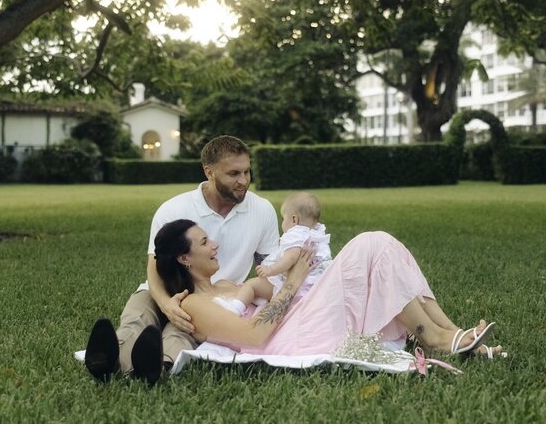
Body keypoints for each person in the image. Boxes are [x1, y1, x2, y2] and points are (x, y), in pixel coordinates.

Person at [87, 219, 503, 379]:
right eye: (204, 242)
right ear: (183, 257)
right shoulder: (193, 304)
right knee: (371, 244)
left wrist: (293, 277)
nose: (215, 245)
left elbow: (284, 293)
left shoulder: (228, 283)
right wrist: (293, 281)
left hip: (302, 314)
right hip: (290, 338)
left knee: (383, 248)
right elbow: (254, 337)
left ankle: (451, 332)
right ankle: (437, 338)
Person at [84, 136, 279, 384]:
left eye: (246, 171)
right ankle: (108, 361)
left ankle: (157, 367)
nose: (243, 180)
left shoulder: (262, 210)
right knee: (137, 317)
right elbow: (154, 266)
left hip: (212, 298)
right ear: (209, 172)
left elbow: (270, 269)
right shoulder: (174, 209)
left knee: (180, 332)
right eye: (233, 174)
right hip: (164, 289)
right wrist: (167, 304)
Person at [238, 192, 332, 304]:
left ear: (294, 219)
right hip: (316, 286)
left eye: (283, 218)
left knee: (251, 285)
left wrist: (270, 269)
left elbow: (290, 258)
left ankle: (235, 307)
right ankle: (262, 300)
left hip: (294, 286)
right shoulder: (318, 234)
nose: (282, 222)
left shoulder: (295, 234)